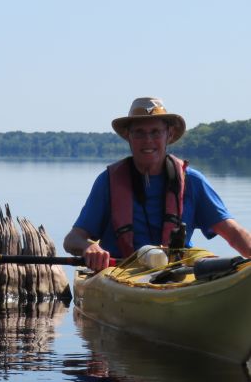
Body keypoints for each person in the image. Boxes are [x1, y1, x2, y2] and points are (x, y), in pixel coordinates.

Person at [63, 97, 251, 271]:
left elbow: (234, 233)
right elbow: (72, 239)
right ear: (128, 136)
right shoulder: (108, 182)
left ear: (169, 135)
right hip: (120, 276)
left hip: (177, 275)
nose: (148, 140)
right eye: (139, 133)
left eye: (155, 132)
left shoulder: (192, 181)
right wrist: (89, 247)